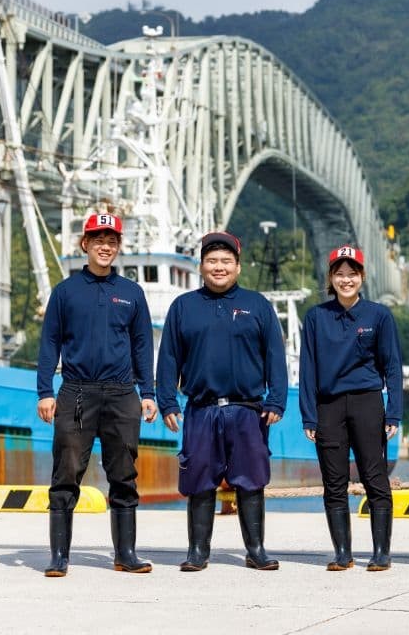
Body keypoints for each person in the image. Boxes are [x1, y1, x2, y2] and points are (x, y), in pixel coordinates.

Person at [156, 231, 288, 571]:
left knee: (251, 479)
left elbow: (275, 355)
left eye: (226, 261)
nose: (219, 267)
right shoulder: (183, 307)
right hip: (201, 409)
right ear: (201, 266)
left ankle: (256, 549)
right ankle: (198, 551)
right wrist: (168, 401)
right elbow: (169, 357)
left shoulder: (258, 305)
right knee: (199, 480)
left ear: (238, 267)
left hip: (247, 411)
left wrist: (276, 400)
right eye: (212, 261)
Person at [36, 212, 158, 578]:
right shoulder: (65, 292)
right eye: (98, 240)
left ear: (118, 247)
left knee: (124, 473)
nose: (105, 246)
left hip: (123, 394)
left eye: (112, 241)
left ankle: (126, 554)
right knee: (66, 472)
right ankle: (59, 557)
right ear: (85, 244)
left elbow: (141, 346)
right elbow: (49, 344)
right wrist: (45, 391)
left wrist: (147, 392)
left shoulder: (132, 293)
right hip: (76, 392)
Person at [299, 244, 403, 571]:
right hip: (328, 406)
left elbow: (393, 367)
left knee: (375, 479)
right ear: (331, 278)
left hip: (368, 402)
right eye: (340, 274)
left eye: (352, 273)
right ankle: (343, 553)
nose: (346, 280)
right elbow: (308, 369)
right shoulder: (316, 317)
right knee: (334, 482)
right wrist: (309, 415)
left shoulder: (378, 315)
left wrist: (395, 410)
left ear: (362, 277)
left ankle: (381, 552)